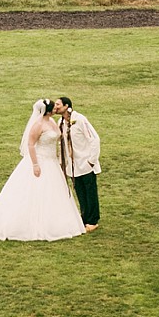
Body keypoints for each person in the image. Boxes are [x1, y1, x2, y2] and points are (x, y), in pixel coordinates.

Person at [0, 98, 85, 241]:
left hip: (52, 161)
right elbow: (31, 144)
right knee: (36, 191)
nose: (55, 109)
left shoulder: (52, 122)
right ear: (48, 110)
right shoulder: (38, 125)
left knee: (53, 191)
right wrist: (35, 164)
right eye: (54, 107)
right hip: (41, 160)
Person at [55, 97, 100, 232]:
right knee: (80, 192)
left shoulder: (80, 119)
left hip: (85, 163)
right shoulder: (61, 122)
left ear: (66, 106)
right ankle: (85, 217)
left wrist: (91, 161)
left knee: (90, 192)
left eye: (58, 104)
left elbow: (94, 139)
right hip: (73, 166)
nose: (55, 107)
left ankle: (93, 220)